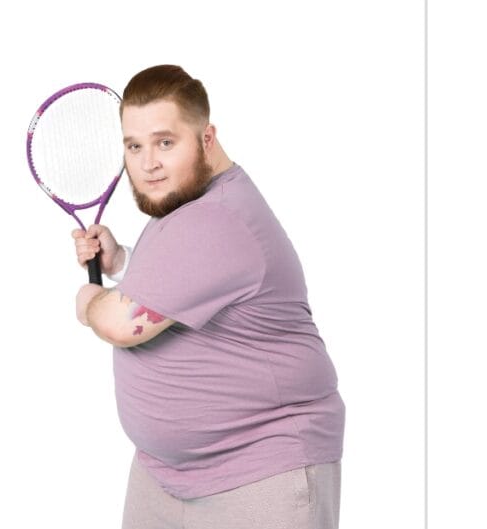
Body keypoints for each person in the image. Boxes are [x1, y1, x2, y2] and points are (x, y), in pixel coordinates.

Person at [72, 65, 344, 529]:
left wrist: (89, 298)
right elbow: (192, 282)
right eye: (134, 146)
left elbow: (119, 324)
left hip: (258, 475)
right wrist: (121, 262)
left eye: (165, 142)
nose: (148, 163)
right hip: (165, 475)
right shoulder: (186, 199)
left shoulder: (217, 219)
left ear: (206, 138)